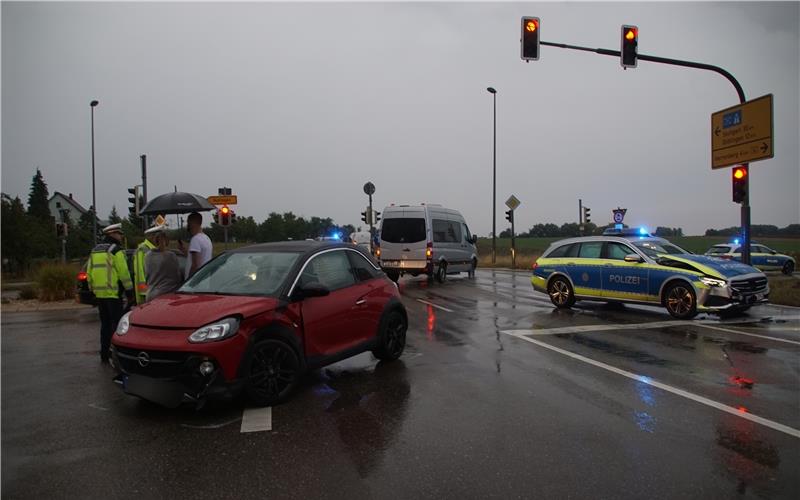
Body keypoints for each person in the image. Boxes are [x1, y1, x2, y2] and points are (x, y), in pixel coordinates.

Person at [86, 223, 134, 364]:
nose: (120, 237)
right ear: (112, 234)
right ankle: (118, 354)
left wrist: (93, 290)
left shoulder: (95, 251)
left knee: (105, 325)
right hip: (113, 294)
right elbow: (123, 273)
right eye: (119, 234)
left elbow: (89, 273)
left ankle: (104, 353)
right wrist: (130, 291)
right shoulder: (115, 250)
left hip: (100, 295)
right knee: (117, 325)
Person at [144, 223, 184, 301]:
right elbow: (177, 276)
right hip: (165, 296)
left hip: (150, 295)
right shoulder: (171, 256)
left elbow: (147, 276)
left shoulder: (147, 256)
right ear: (166, 239)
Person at [178, 211, 212, 279]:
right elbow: (200, 258)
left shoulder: (195, 239)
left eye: (188, 222)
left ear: (192, 223)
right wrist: (185, 251)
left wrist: (189, 281)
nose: (187, 225)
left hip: (195, 282)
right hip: (205, 279)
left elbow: (195, 265)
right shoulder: (207, 238)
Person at [132, 227, 157, 305]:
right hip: (147, 294)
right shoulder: (143, 249)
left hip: (154, 290)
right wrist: (145, 291)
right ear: (153, 237)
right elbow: (140, 272)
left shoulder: (154, 249)